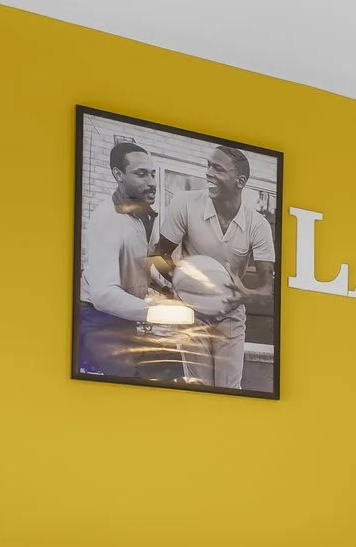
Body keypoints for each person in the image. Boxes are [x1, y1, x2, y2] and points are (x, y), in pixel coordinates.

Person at [76, 138, 201, 384]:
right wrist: (159, 312)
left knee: (173, 369)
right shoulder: (105, 222)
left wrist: (171, 285)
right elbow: (103, 295)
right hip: (99, 321)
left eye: (153, 174)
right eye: (141, 174)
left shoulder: (144, 215)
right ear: (118, 175)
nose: (152, 182)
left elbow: (150, 258)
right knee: (127, 386)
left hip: (127, 318)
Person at [152, 144, 277, 390]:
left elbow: (267, 289)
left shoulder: (258, 225)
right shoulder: (185, 203)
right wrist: (179, 286)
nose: (209, 173)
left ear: (240, 181)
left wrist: (244, 294)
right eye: (208, 166)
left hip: (230, 312)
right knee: (199, 388)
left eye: (218, 169)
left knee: (229, 390)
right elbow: (157, 256)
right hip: (193, 312)